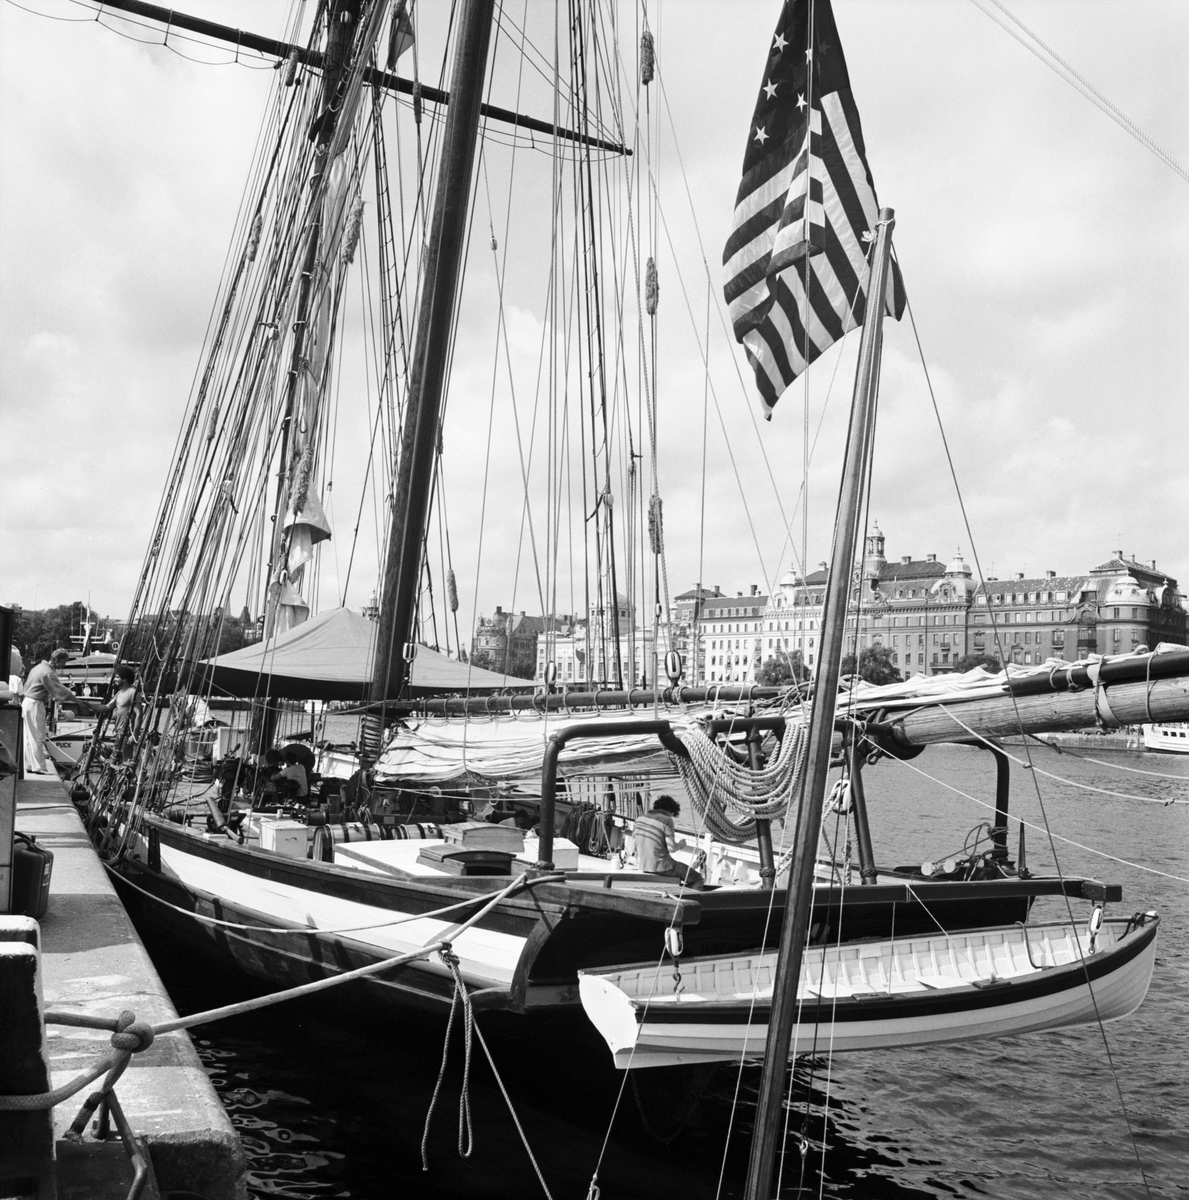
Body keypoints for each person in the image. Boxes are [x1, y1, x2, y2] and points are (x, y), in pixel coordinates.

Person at [22, 649, 76, 774]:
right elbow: (61, 691)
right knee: (38, 735)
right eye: (63, 662)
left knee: (29, 736)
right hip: (35, 704)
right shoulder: (48, 672)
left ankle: (29, 764)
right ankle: (38, 767)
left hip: (28, 701)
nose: (64, 665)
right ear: (56, 660)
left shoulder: (38, 668)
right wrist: (78, 702)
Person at [633, 795, 704, 889]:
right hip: (662, 867)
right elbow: (672, 848)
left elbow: (635, 845)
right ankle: (690, 897)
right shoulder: (667, 820)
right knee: (697, 878)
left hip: (643, 866)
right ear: (670, 811)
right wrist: (681, 845)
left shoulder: (639, 819)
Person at [97, 666, 139, 758]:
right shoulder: (119, 693)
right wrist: (88, 706)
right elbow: (107, 707)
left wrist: (134, 735)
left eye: (117, 677)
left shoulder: (132, 693)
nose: (115, 680)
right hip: (119, 733)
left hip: (126, 734)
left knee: (125, 761)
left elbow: (139, 714)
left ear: (124, 679)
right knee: (116, 760)